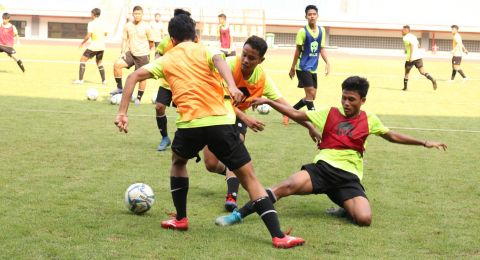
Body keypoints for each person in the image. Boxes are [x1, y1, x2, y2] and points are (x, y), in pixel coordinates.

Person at [114, 14, 305, 248]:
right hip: (221, 121)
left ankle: (181, 218)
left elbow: (133, 75)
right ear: (194, 34)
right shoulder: (205, 48)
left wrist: (122, 113)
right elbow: (221, 60)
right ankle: (278, 236)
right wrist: (232, 86)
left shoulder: (166, 58)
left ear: (171, 39)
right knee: (250, 178)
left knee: (178, 162)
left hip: (190, 125)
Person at [215, 76, 447, 227]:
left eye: (351, 99)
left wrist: (424, 142)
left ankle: (344, 206)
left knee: (364, 219)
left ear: (362, 100)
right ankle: (238, 215)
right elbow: (297, 115)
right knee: (284, 186)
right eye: (344, 97)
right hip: (322, 169)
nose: (346, 103)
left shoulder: (370, 120)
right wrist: (270, 100)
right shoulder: (330, 113)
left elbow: (393, 136)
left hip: (349, 178)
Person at [203, 35, 321, 212]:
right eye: (244, 54)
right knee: (211, 164)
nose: (245, 60)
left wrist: (309, 126)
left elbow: (285, 106)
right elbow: (218, 99)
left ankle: (231, 196)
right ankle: (236, 172)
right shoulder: (228, 65)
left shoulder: (263, 79)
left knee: (235, 147)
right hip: (216, 112)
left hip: (236, 119)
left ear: (261, 60)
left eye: (251, 58)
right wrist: (245, 117)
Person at [153, 8, 191, 152]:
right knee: (159, 107)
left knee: (185, 111)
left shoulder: (193, 41)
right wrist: (158, 63)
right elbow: (158, 54)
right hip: (167, 82)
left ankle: (188, 139)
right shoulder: (166, 41)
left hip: (184, 83)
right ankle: (164, 138)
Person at [289, 5, 330, 115]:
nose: (312, 16)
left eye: (314, 14)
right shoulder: (302, 31)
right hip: (302, 66)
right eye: (309, 14)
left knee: (312, 96)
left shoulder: (322, 30)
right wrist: (292, 67)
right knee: (310, 93)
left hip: (313, 67)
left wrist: (327, 62)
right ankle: (313, 118)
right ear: (306, 16)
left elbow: (321, 49)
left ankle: (289, 112)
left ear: (317, 16)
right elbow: (297, 50)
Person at [110, 5, 153, 106]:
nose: (137, 15)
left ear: (142, 15)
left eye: (139, 14)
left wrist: (145, 52)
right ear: (133, 14)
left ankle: (138, 98)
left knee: (141, 78)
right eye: (135, 13)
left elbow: (151, 42)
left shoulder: (147, 26)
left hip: (143, 55)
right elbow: (125, 39)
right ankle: (120, 88)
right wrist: (123, 52)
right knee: (117, 65)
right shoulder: (128, 25)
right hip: (131, 53)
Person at [73, 8, 107, 85]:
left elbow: (88, 36)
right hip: (102, 46)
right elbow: (106, 34)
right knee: (99, 63)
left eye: (91, 13)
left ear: (93, 14)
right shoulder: (103, 23)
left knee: (82, 60)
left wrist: (82, 43)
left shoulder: (91, 23)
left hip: (94, 46)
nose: (90, 15)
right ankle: (104, 81)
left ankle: (80, 80)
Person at [402, 25, 437, 91]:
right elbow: (418, 45)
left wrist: (411, 56)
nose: (402, 31)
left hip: (411, 58)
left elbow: (411, 46)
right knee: (422, 71)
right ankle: (432, 79)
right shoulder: (413, 36)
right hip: (418, 56)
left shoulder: (405, 38)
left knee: (406, 73)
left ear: (406, 30)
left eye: (403, 30)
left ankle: (405, 88)